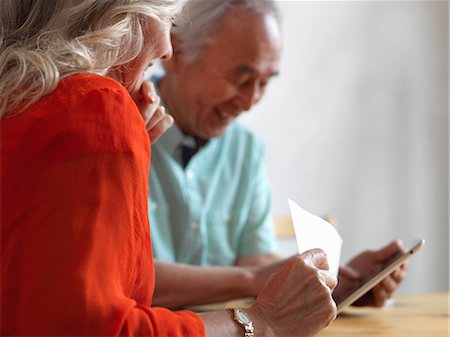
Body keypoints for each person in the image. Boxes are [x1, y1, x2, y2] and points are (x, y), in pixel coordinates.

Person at [1, 1, 338, 336]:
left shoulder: (23, 103)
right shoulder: (97, 110)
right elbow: (98, 327)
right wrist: (262, 323)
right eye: (166, 17)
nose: (165, 48)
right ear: (116, 13)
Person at [147, 0, 408, 310]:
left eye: (265, 82)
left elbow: (256, 261)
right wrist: (252, 278)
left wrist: (333, 284)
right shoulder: (119, 129)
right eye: (240, 78)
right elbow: (121, 280)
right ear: (175, 54)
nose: (250, 101)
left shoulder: (245, 149)